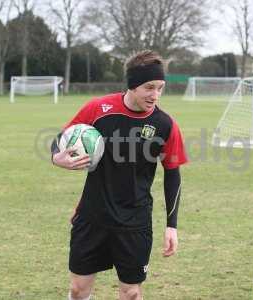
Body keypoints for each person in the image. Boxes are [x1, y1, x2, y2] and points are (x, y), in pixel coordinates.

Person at [51, 50, 188, 300]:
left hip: (134, 221)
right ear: (133, 85)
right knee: (78, 289)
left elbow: (173, 175)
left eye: (160, 88)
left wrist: (172, 226)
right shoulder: (98, 109)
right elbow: (61, 139)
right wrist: (56, 157)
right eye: (149, 87)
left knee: (131, 293)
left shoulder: (165, 125)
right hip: (92, 215)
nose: (155, 95)